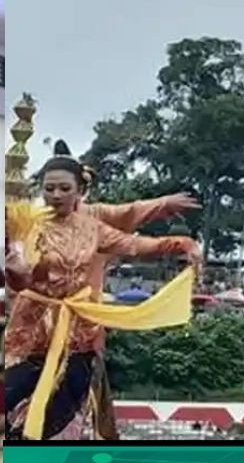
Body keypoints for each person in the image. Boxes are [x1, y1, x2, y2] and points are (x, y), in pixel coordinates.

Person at [4, 141, 201, 440]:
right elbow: (21, 277)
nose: (55, 195)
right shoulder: (26, 225)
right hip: (34, 325)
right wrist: (16, 274)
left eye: (64, 189)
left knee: (70, 396)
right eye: (49, 188)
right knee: (14, 391)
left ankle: (33, 453)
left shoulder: (92, 225)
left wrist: (179, 244)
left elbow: (134, 243)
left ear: (78, 191)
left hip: (79, 326)